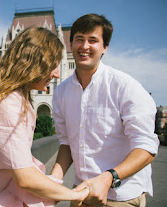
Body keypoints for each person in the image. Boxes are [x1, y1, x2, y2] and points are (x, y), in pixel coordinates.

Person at [0, 27, 89, 207]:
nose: (57, 74)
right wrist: (75, 194)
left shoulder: (14, 97)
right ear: (36, 63)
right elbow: (25, 178)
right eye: (54, 65)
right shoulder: (8, 103)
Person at [51, 13, 160, 206]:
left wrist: (108, 178)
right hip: (80, 193)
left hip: (121, 196)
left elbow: (147, 147)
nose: (84, 46)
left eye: (93, 40)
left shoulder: (125, 87)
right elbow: (66, 143)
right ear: (70, 45)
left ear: (104, 48)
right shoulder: (61, 92)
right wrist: (54, 181)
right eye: (79, 39)